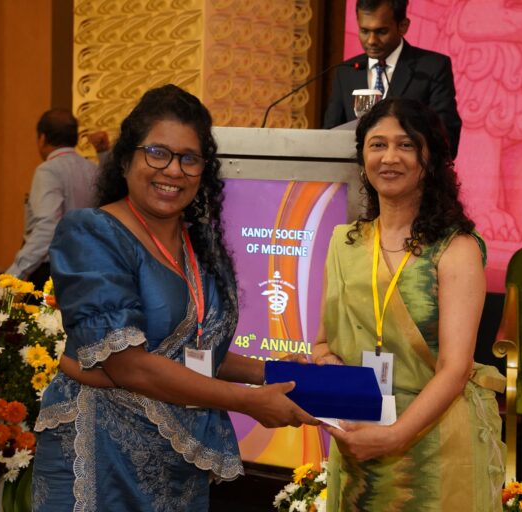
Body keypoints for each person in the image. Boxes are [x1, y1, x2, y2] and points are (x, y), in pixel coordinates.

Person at [31, 85, 317, 511]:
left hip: (176, 460)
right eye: (157, 153)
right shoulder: (91, 232)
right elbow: (128, 363)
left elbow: (191, 349)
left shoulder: (197, 244)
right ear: (125, 159)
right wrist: (248, 401)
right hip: (99, 453)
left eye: (189, 158)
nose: (173, 170)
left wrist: (272, 372)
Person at [313, 98, 505, 511]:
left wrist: (395, 435)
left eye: (405, 145)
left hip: (435, 443)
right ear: (363, 158)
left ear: (429, 159)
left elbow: (455, 369)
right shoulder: (344, 243)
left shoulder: (456, 248)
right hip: (360, 433)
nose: (389, 157)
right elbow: (323, 344)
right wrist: (331, 373)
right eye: (377, 145)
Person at [322, 0, 462, 158]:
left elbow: (447, 138)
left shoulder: (432, 68)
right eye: (364, 31)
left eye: (381, 32)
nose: (371, 40)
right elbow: (329, 137)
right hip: (354, 170)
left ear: (403, 26)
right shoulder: (346, 71)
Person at [6, 109, 98, 291]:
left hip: (53, 270)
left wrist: (14, 274)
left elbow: (48, 226)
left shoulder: (48, 170)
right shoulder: (94, 169)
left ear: (42, 138)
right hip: (87, 267)